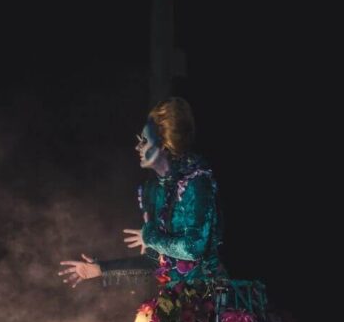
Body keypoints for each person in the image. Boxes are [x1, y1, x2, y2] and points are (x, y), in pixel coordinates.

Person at [58, 97, 223, 289]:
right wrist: (101, 268)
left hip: (209, 298)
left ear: (163, 144)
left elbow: (195, 248)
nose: (137, 147)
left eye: (143, 141)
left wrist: (150, 236)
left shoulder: (195, 183)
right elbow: (154, 262)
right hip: (175, 299)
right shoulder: (152, 191)